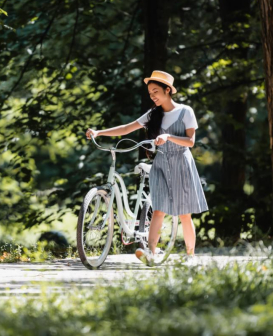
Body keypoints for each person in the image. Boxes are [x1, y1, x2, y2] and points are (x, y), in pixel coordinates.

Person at [85, 70, 209, 266]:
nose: (153, 96)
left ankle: (190, 256)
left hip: (181, 163)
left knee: (185, 213)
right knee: (158, 209)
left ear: (168, 90)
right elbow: (127, 128)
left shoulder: (185, 111)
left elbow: (191, 142)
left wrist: (168, 137)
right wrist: (99, 132)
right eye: (150, 93)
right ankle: (151, 253)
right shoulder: (154, 114)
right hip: (161, 164)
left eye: (156, 91)